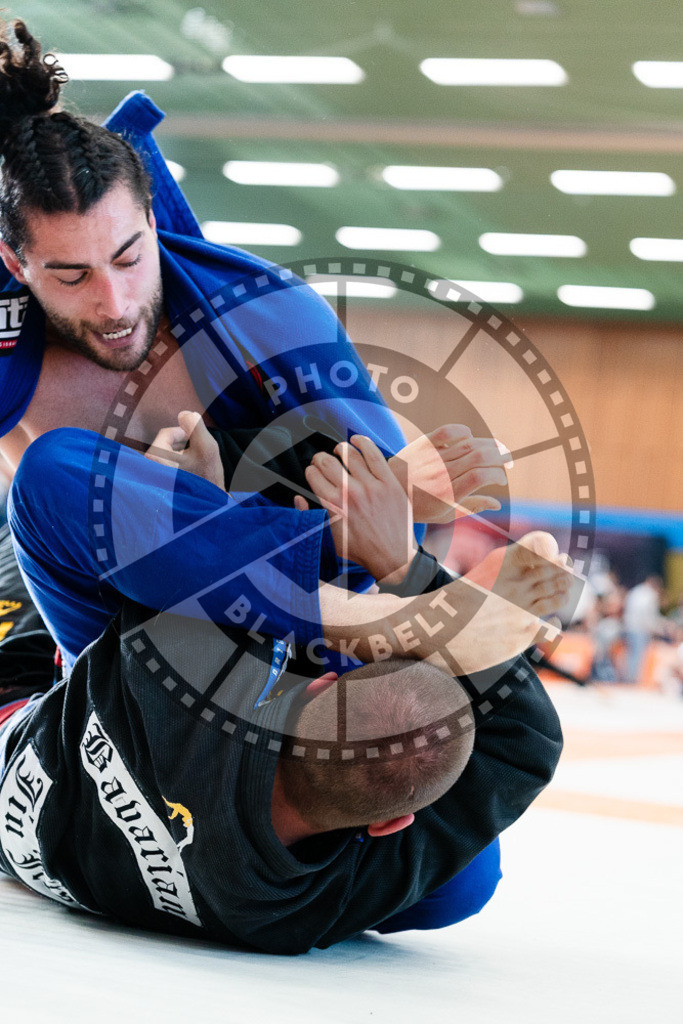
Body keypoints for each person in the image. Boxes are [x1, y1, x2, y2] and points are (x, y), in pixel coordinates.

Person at [0, 17, 514, 661]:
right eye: (72, 276)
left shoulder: (268, 313)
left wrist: (220, 504)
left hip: (300, 618)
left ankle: (397, 624)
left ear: (153, 222)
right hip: (119, 638)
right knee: (50, 478)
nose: (115, 304)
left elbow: (382, 525)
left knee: (344, 472)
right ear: (16, 264)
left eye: (130, 259)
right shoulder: (14, 367)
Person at [0, 421, 564, 954]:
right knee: (462, 880)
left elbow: (176, 555)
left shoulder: (183, 679)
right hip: (95, 838)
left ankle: (382, 615)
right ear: (389, 824)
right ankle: (386, 611)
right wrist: (404, 565)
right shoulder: (309, 910)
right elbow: (526, 744)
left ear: (318, 687)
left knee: (48, 479)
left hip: (30, 691)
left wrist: (393, 561)